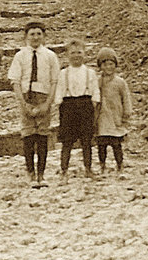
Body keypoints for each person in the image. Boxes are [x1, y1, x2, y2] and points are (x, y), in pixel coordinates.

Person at [7, 21, 60, 188]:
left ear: (44, 36)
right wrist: (22, 103)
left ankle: (41, 174)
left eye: (39, 34)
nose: (35, 37)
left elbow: (54, 81)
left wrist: (47, 103)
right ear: (26, 37)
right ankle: (30, 173)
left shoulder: (50, 56)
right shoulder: (20, 56)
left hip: (44, 97)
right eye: (32, 34)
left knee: (42, 136)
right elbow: (15, 81)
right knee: (28, 136)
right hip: (26, 97)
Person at [54, 38, 100, 180]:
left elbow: (95, 92)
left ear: (84, 54)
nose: (76, 56)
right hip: (68, 106)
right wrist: (59, 105)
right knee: (67, 141)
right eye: (73, 53)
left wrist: (93, 105)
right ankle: (64, 170)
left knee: (86, 140)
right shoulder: (63, 73)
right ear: (67, 54)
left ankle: (88, 168)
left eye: (79, 52)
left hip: (85, 105)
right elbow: (59, 92)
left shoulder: (90, 73)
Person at [94, 47, 132, 178]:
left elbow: (126, 98)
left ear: (115, 65)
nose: (108, 67)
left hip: (116, 117)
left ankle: (120, 165)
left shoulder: (120, 82)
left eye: (111, 64)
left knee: (116, 144)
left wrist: (127, 112)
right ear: (100, 66)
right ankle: (102, 165)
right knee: (102, 145)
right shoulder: (97, 82)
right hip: (102, 118)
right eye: (105, 64)